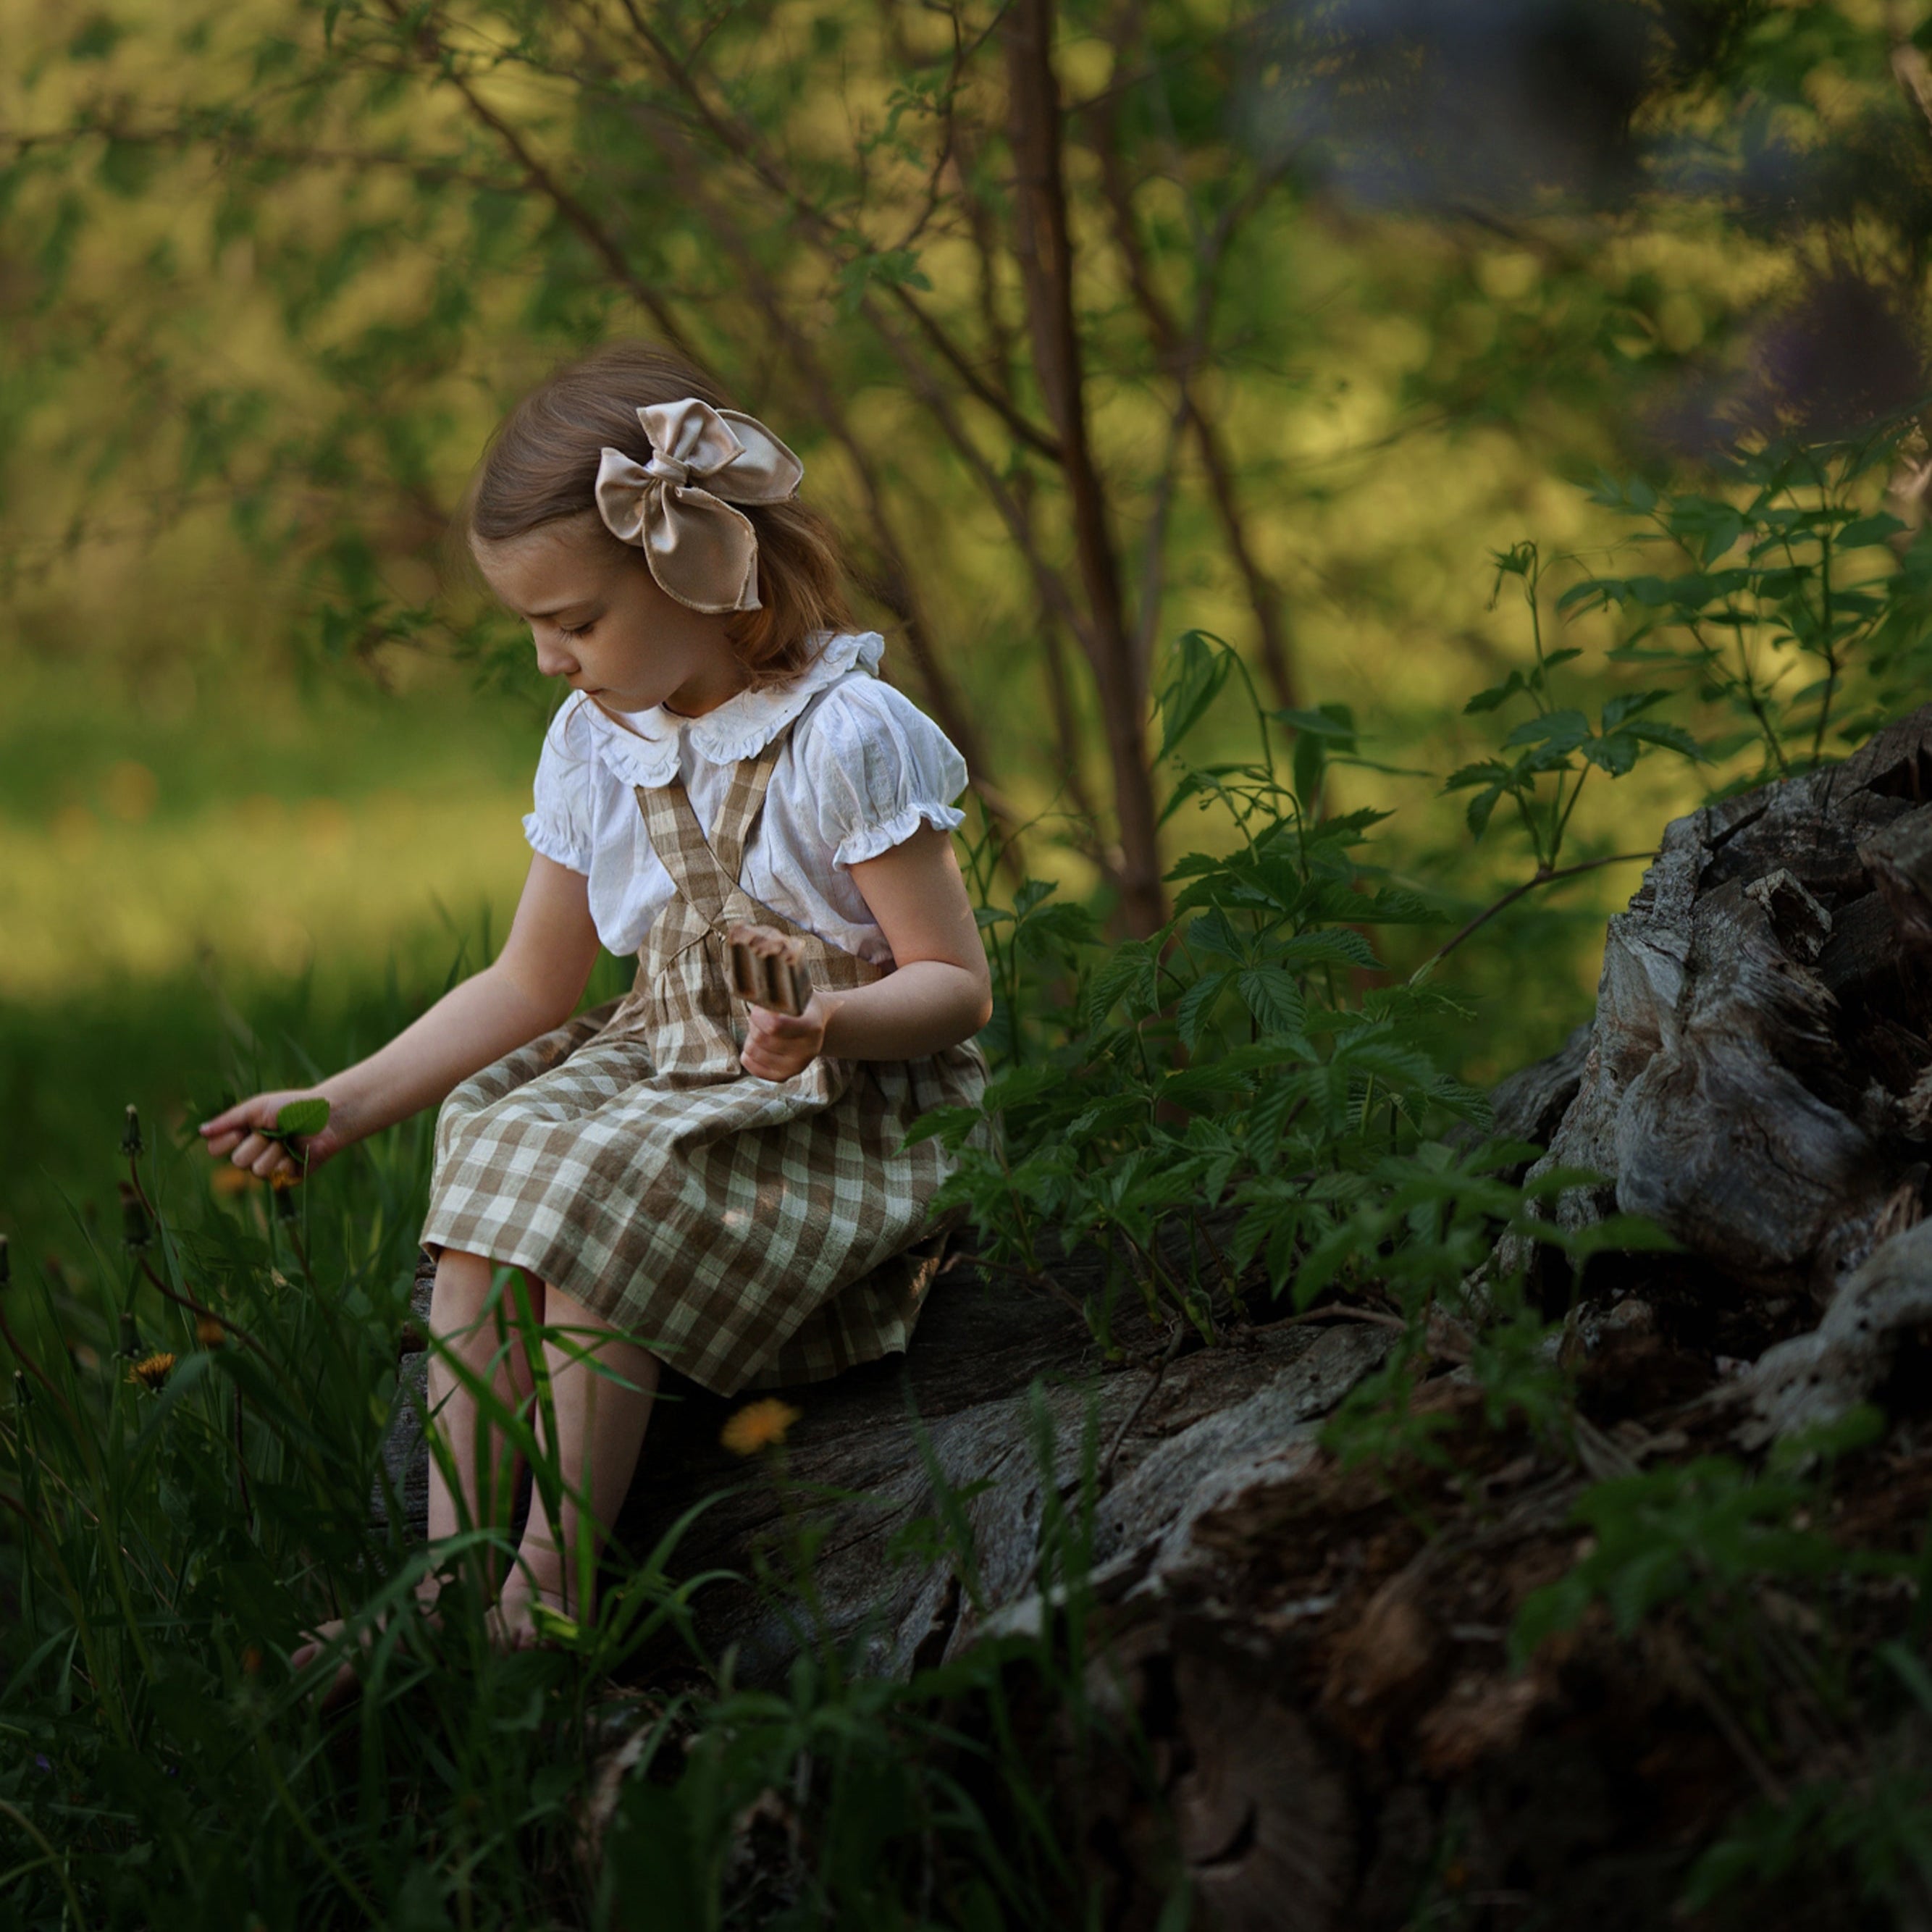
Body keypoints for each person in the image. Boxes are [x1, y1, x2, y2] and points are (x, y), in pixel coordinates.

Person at [199, 341, 992, 1658]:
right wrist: (339, 1105)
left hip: (833, 1092)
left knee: (596, 1215)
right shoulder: (596, 740)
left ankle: (549, 1588)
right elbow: (531, 980)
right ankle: (455, 1567)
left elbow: (955, 990)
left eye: (574, 623)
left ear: (697, 577)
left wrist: (829, 1019)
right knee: (496, 1150)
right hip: (667, 1059)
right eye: (531, 625)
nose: (547, 660)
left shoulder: (845, 737)